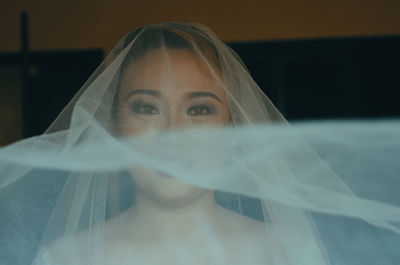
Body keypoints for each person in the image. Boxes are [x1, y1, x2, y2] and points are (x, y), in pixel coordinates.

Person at [1, 22, 400, 265]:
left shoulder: (288, 254)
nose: (173, 133)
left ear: (233, 133)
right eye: (146, 107)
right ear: (117, 130)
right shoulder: (66, 258)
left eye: (200, 110)